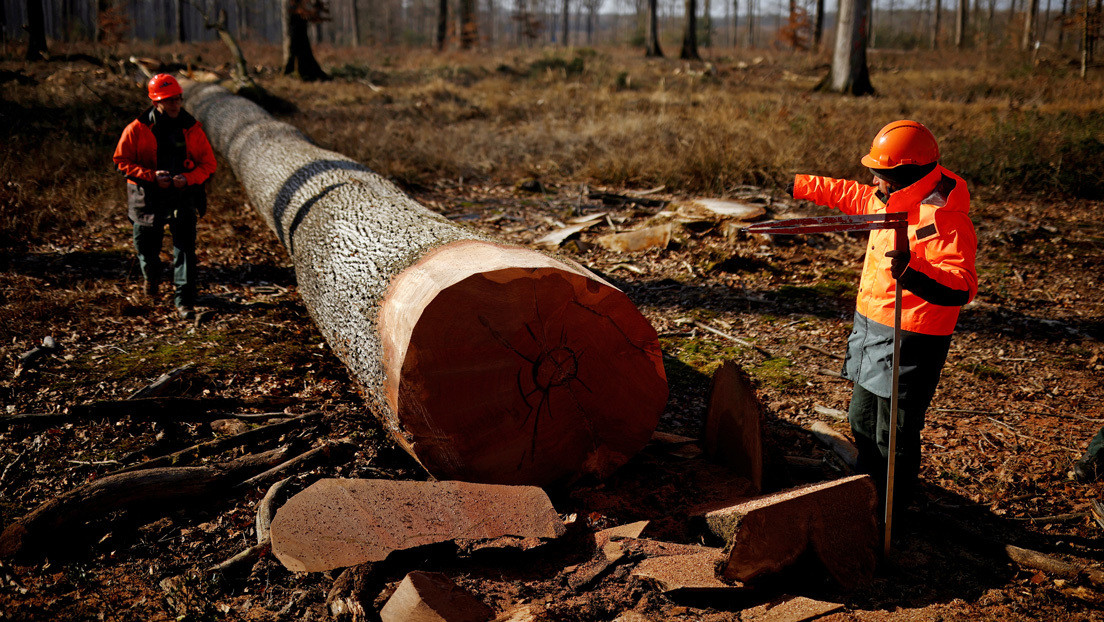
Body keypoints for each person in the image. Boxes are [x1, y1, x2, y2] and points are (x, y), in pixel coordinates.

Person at [788, 120, 978, 523]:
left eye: (882, 173)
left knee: (894, 434)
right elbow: (851, 194)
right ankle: (866, 491)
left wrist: (914, 271)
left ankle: (893, 511)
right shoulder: (887, 197)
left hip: (914, 335)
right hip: (872, 323)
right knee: (860, 419)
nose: (874, 180)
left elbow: (961, 285)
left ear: (908, 175)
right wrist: (803, 185)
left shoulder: (944, 217)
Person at [113, 73, 216, 319]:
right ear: (155, 102)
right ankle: (151, 277)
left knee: (185, 250)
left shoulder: (192, 128)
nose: (175, 104)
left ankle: (184, 301)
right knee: (146, 249)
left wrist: (187, 179)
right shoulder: (136, 128)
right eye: (169, 100)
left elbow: (208, 164)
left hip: (183, 196)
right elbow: (121, 160)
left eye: (178, 99)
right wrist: (151, 176)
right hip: (147, 197)